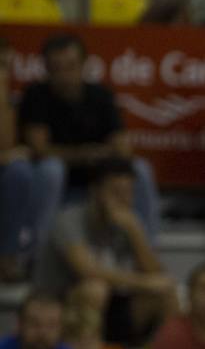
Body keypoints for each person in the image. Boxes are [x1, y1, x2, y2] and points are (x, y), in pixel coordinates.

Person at [20, 34, 161, 239]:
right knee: (51, 169)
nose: (64, 75)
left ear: (84, 65)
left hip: (97, 185)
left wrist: (101, 155)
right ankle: (38, 250)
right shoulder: (36, 95)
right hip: (59, 188)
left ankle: (147, 247)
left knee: (140, 168)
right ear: (46, 69)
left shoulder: (101, 95)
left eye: (71, 66)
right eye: (56, 68)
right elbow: (39, 150)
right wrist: (84, 154)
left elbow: (122, 148)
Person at [33, 157, 179, 348]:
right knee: (95, 289)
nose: (123, 199)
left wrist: (135, 232)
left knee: (165, 290)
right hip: (63, 309)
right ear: (96, 191)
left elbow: (155, 273)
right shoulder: (69, 220)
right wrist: (144, 283)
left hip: (113, 306)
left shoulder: (129, 222)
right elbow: (87, 270)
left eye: (128, 192)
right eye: (116, 192)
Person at [0, 38, 38, 282]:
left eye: (6, 65)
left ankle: (12, 257)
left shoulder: (8, 98)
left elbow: (5, 143)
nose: (3, 72)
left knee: (23, 172)